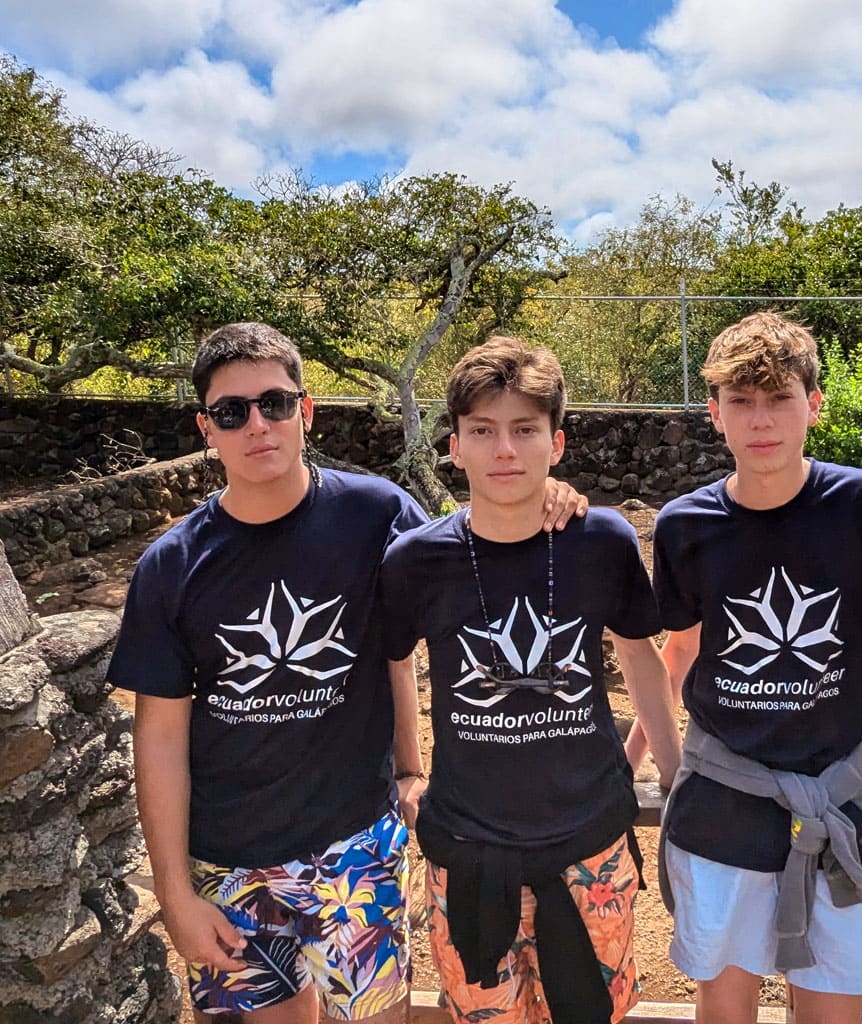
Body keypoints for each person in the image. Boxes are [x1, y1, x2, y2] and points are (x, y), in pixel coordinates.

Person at [109, 322, 585, 1023]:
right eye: (231, 412)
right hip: (227, 862)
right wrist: (176, 895)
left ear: (306, 410)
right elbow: (158, 736)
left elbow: (473, 561)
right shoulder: (173, 565)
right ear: (206, 427)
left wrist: (545, 492)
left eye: (274, 403)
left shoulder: (376, 515)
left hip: (357, 847)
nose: (257, 425)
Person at [627, 311, 862, 1024]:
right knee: (723, 1011)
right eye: (742, 402)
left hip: (834, 795)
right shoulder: (684, 525)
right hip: (723, 795)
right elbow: (681, 651)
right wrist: (632, 758)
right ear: (715, 415)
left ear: (814, 406)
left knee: (830, 1013)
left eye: (780, 398)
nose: (762, 420)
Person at [379, 336, 682, 1024]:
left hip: (591, 848)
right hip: (467, 853)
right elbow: (394, 659)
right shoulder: (415, 561)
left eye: (524, 430)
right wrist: (407, 770)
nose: (504, 451)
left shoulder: (599, 540)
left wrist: (675, 774)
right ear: (453, 445)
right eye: (482, 432)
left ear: (558, 442)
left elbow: (639, 656)